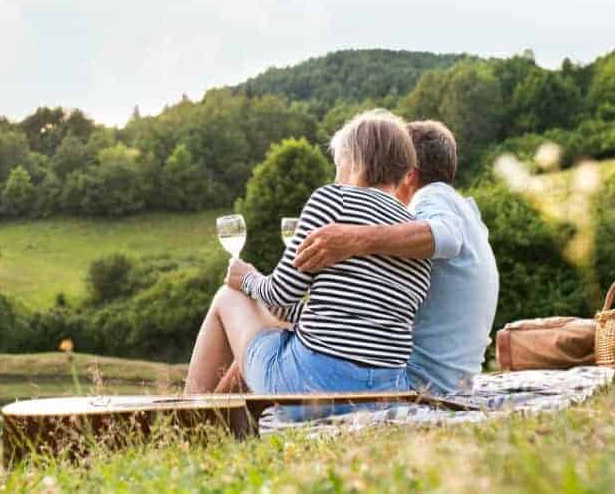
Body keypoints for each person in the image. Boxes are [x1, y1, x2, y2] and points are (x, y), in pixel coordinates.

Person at [184, 110, 431, 400]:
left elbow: (279, 294)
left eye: (338, 164)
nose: (336, 174)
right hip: (385, 392)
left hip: (311, 385)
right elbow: (355, 318)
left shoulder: (332, 199)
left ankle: (185, 417)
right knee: (276, 328)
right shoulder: (414, 232)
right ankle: (221, 424)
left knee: (227, 297)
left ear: (353, 161)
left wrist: (247, 279)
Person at [293, 120, 499, 395]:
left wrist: (354, 239)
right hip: (450, 381)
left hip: (419, 382)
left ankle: (222, 418)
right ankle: (221, 416)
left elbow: (447, 237)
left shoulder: (430, 199)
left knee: (271, 325)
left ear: (410, 174)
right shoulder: (462, 209)